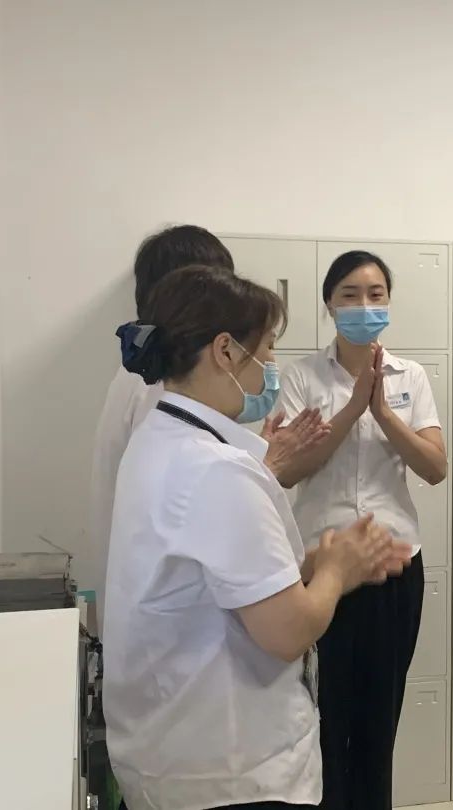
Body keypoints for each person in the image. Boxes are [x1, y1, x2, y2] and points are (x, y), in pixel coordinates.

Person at [103, 265, 412, 810]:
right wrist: (337, 572)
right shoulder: (216, 470)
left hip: (172, 762)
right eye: (267, 347)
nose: (271, 365)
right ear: (226, 351)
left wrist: (311, 566)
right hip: (232, 775)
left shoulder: (159, 439)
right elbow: (288, 631)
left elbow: (215, 579)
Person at [277, 250, 447, 810]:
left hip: (393, 567)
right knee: (323, 720)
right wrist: (352, 409)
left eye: (376, 294)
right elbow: (288, 471)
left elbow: (434, 467)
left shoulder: (410, 376)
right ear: (329, 304)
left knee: (378, 722)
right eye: (350, 295)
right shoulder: (300, 377)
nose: (364, 305)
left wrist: (384, 412)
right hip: (321, 568)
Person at [90, 224, 326, 630]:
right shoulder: (153, 390)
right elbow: (199, 491)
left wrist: (255, 464)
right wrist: (339, 568)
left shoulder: (156, 392)